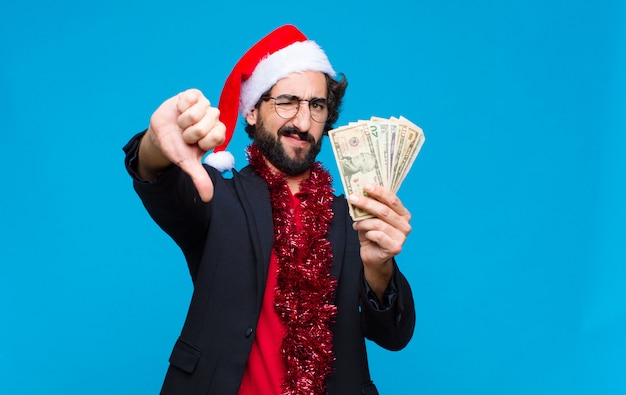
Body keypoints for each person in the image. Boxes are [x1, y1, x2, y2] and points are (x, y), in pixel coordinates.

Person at [123, 25, 415, 395]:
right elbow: (160, 182)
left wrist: (379, 267)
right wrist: (154, 145)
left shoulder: (354, 216)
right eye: (287, 101)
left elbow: (393, 335)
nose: (303, 121)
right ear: (252, 112)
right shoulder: (218, 197)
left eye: (317, 105)